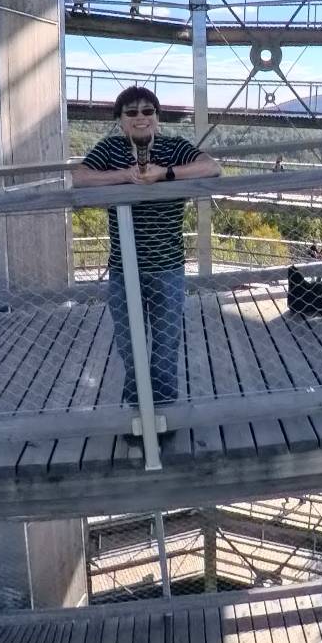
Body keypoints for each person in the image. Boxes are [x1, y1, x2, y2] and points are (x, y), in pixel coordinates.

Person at [75, 86, 205, 425]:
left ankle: (162, 416)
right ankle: (140, 416)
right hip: (123, 269)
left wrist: (167, 173)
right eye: (131, 112)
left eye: (148, 111)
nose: (141, 118)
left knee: (165, 345)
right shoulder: (111, 149)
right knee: (130, 347)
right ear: (120, 120)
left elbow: (212, 167)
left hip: (168, 267)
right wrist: (124, 177)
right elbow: (79, 177)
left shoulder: (174, 148)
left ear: (157, 117)